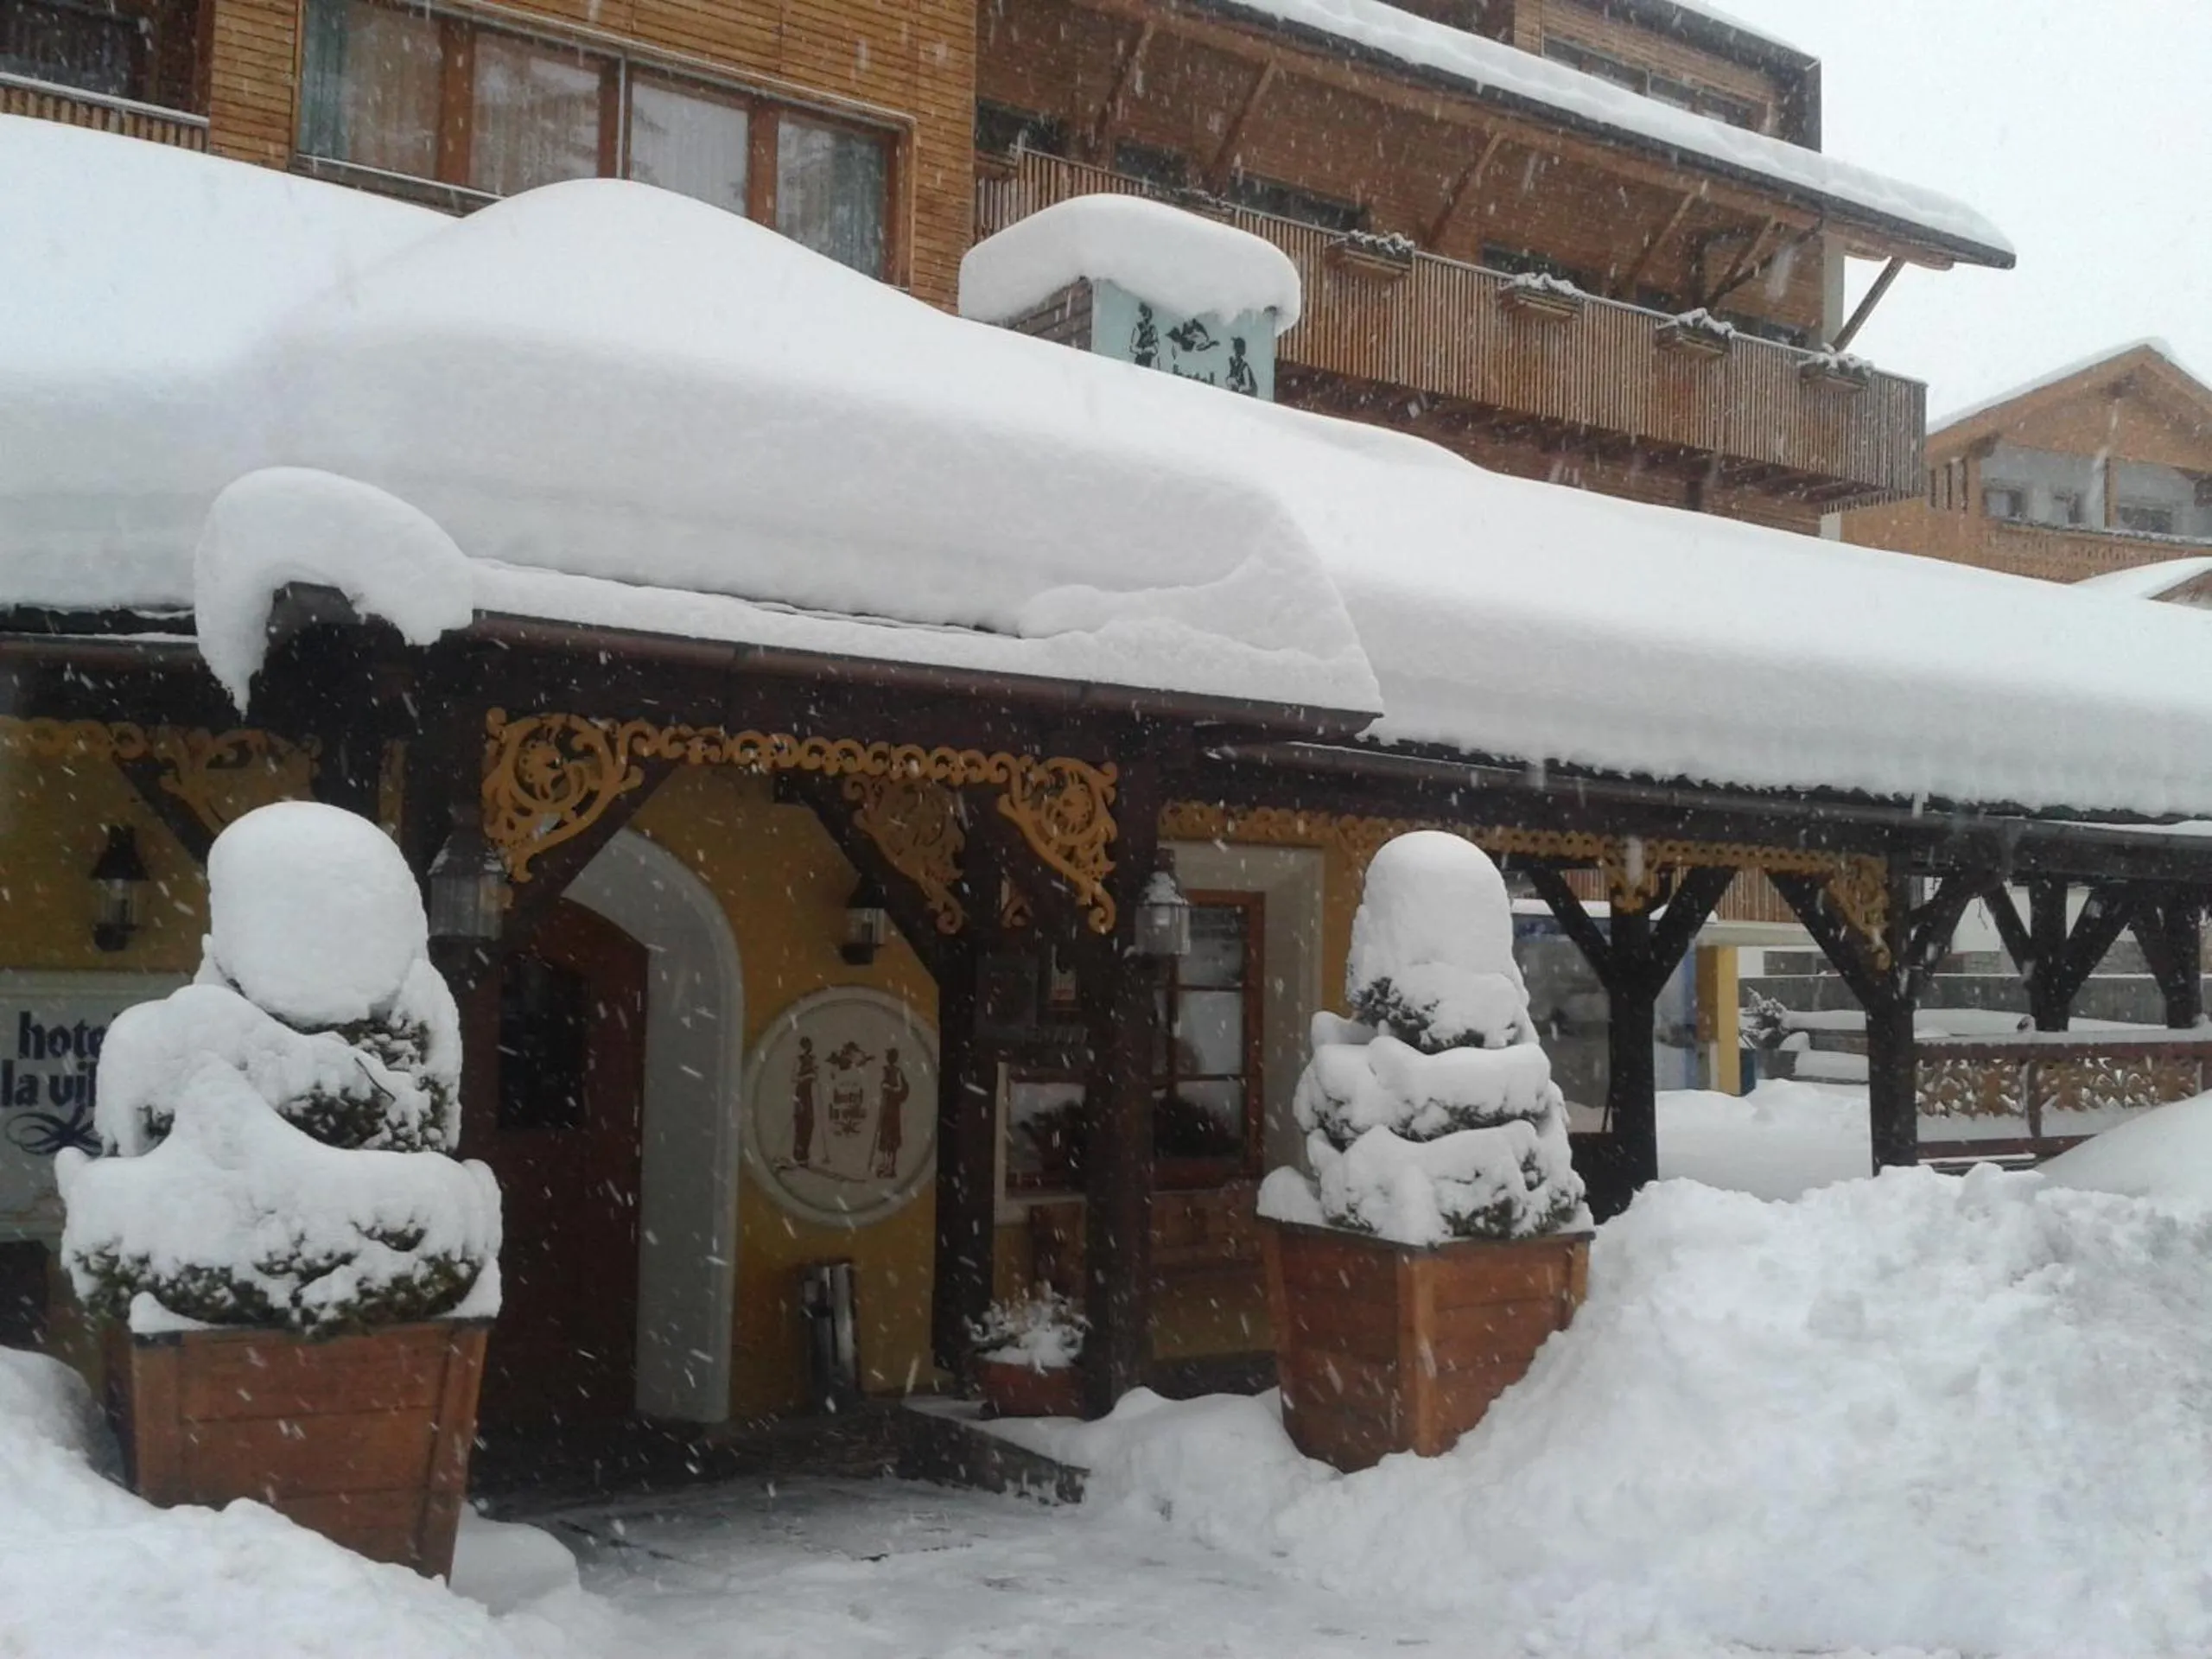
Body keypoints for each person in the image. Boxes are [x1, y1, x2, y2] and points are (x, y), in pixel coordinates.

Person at [873, 1046, 908, 1179]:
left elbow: (901, 1088)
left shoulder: (898, 1072)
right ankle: (885, 1163)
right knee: (885, 1135)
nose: (888, 1058)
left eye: (890, 1056)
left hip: (893, 1109)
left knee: (891, 1138)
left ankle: (891, 1167)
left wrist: (890, 1088)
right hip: (886, 1108)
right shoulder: (885, 1070)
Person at [791, 1037, 817, 1167]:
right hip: (800, 1094)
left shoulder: (811, 1059)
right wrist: (807, 1076)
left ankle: (805, 1155)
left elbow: (815, 1077)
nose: (809, 1048)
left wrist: (815, 1073)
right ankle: (798, 1155)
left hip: (808, 1095)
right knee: (801, 1123)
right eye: (807, 1046)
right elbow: (793, 1077)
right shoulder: (799, 1059)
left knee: (809, 1123)